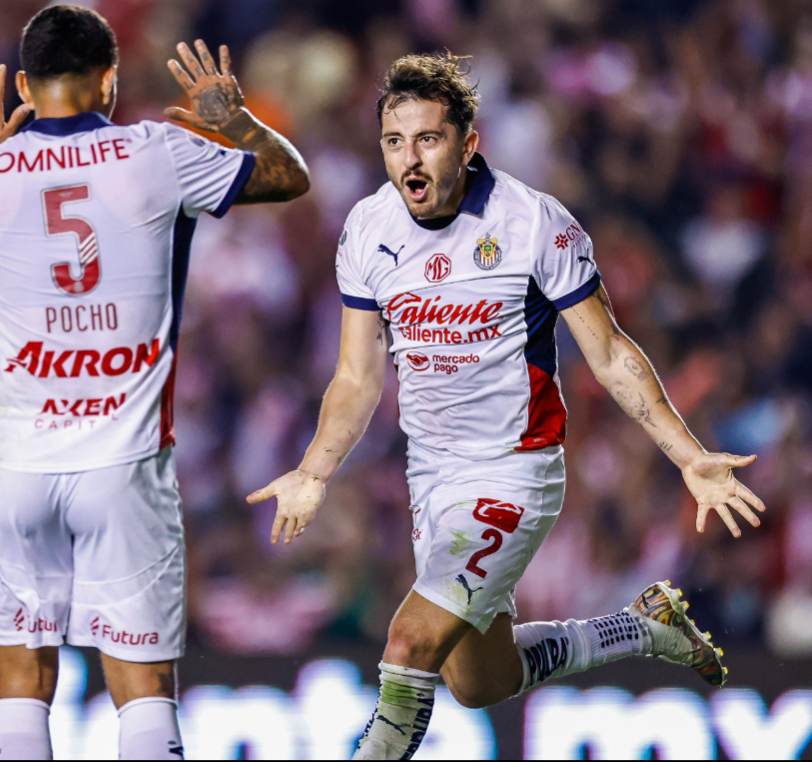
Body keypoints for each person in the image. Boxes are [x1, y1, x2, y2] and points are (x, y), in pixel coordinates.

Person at [247, 53, 767, 761]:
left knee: (409, 643)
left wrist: (688, 455)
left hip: (514, 473)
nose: (409, 160)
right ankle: (644, 628)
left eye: (427, 139)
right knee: (479, 681)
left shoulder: (533, 224)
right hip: (431, 477)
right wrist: (313, 470)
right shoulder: (368, 229)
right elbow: (354, 377)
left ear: (467, 142)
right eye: (394, 143)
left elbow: (609, 352)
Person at [0, 4, 309, 761]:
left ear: (24, 83)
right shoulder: (159, 151)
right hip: (121, 463)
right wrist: (237, 120)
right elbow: (290, 178)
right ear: (110, 82)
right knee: (142, 683)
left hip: (14, 462)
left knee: (20, 672)